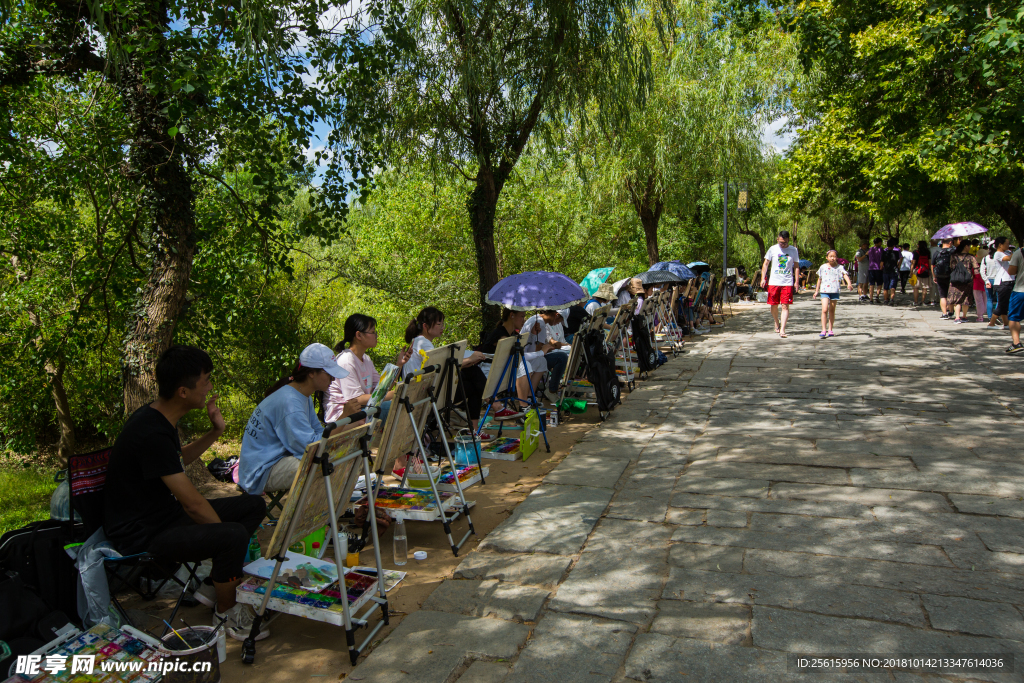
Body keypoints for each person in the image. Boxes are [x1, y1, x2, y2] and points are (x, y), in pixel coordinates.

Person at [103, 346, 269, 641]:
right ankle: (227, 613)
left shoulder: (158, 418)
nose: (209, 388)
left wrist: (215, 432)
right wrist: (228, 536)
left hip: (164, 516)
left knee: (253, 505)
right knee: (232, 536)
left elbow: (177, 460)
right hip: (143, 532)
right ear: (183, 391)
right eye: (205, 381)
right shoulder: (151, 432)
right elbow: (192, 504)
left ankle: (213, 583)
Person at [239, 343, 350, 498]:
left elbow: (318, 432)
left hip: (276, 459)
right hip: (261, 470)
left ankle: (326, 514)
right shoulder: (290, 402)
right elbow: (310, 447)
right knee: (320, 466)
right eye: (329, 373)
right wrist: (344, 417)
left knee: (338, 457)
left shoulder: (303, 395)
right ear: (311, 373)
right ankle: (311, 518)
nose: (333, 378)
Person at [401, 306, 494, 439]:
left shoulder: (418, 341)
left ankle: (476, 428)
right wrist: (470, 359)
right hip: (424, 396)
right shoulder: (423, 343)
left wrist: (468, 361)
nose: (442, 328)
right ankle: (493, 406)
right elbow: (444, 369)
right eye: (439, 324)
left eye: (442, 324)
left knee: (473, 377)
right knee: (474, 375)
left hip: (427, 392)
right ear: (426, 326)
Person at [324, 314, 412, 424]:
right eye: (373, 332)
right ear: (359, 335)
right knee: (396, 406)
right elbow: (356, 400)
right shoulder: (346, 361)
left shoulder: (366, 359)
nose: (376, 335)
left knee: (399, 404)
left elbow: (382, 388)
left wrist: (399, 364)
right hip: (342, 417)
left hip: (363, 409)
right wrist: (396, 393)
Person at [478, 308, 537, 418]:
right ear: (512, 315)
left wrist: (533, 334)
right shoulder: (501, 335)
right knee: (524, 366)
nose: (523, 320)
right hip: (488, 370)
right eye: (522, 316)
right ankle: (523, 406)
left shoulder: (510, 334)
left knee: (525, 365)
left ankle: (523, 406)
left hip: (500, 369)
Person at [522, 310, 570, 402]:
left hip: (528, 356)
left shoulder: (536, 319)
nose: (558, 323)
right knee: (560, 358)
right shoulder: (540, 323)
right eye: (559, 321)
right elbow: (537, 350)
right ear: (556, 315)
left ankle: (530, 396)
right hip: (528, 358)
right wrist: (547, 348)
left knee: (544, 360)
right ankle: (541, 393)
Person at [760, 230, 800, 338]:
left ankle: (782, 329)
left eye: (785, 243)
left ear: (788, 241)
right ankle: (776, 322)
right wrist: (763, 278)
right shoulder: (772, 249)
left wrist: (796, 282)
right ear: (777, 239)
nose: (783, 245)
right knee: (773, 305)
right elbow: (765, 264)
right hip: (774, 282)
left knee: (785, 306)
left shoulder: (793, 250)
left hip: (787, 282)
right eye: (781, 242)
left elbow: (796, 266)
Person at [812, 250, 854, 338]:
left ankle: (830, 329)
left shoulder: (840, 267)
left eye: (834, 256)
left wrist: (849, 283)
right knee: (824, 309)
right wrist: (816, 291)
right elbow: (819, 279)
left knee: (832, 310)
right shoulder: (823, 267)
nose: (832, 258)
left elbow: (845, 275)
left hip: (835, 291)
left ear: (837, 258)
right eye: (830, 256)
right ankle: (823, 329)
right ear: (827, 257)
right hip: (824, 291)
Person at [946, 240, 978, 324]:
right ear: (966, 246)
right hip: (967, 280)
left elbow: (951, 266)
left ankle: (957, 317)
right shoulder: (971, 257)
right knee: (966, 298)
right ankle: (964, 316)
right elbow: (976, 268)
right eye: (969, 246)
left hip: (956, 279)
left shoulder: (954, 256)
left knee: (957, 299)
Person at [987, 237, 1013, 329]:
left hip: (1008, 281)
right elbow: (1008, 258)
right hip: (1002, 282)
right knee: (1001, 304)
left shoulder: (1007, 252)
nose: (1008, 245)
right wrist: (1017, 252)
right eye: (1006, 243)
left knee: (1004, 304)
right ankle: (991, 323)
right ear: (1000, 245)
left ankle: (1006, 324)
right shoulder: (998, 254)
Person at [1005, 245, 1024, 353]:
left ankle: (1016, 343)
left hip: (1020, 290)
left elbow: (1011, 271)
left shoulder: (1019, 253)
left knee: (1013, 317)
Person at [932, 238, 956, 318]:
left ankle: (944, 313)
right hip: (951, 276)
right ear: (950, 242)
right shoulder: (953, 252)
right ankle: (951, 311)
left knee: (942, 295)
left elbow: (932, 265)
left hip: (939, 276)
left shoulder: (937, 253)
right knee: (951, 294)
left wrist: (934, 276)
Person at [881, 237, 902, 305]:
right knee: (893, 286)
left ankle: (885, 300)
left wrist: (881, 267)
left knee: (885, 286)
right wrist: (899, 265)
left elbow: (881, 262)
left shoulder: (884, 253)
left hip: (886, 271)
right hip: (894, 271)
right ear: (893, 246)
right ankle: (892, 299)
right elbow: (901, 258)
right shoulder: (896, 252)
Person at [912, 240, 932, 306]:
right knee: (925, 287)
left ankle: (915, 302)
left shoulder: (916, 252)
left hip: (917, 271)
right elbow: (929, 262)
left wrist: (911, 271)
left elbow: (913, 262)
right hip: (926, 271)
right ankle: (922, 301)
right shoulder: (928, 252)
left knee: (915, 287)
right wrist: (930, 270)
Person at [867, 238, 885, 303]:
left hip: (871, 268)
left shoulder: (870, 249)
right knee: (879, 283)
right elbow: (882, 258)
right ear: (878, 242)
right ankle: (877, 296)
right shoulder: (881, 249)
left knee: (871, 284)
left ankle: (871, 299)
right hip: (879, 268)